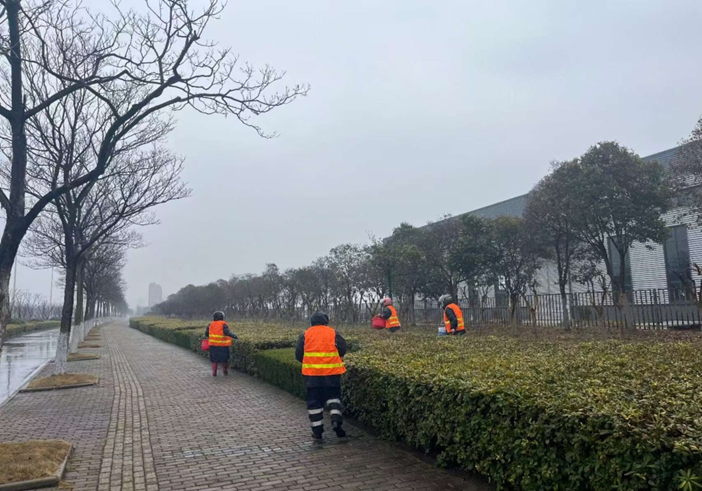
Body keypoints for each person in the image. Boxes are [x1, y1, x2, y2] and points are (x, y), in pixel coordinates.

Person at [295, 311, 347, 440]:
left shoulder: (305, 334)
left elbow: (298, 354)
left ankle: (317, 431)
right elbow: (343, 349)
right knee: (334, 398)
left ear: (312, 322)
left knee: (314, 403)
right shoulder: (333, 333)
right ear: (326, 321)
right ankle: (336, 421)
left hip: (312, 376)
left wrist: (309, 362)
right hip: (332, 374)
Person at [205, 311, 238, 376]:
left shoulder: (210, 324)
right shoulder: (223, 324)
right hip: (223, 345)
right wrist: (234, 336)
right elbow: (227, 332)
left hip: (213, 345)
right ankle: (225, 371)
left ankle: (214, 372)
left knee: (214, 359)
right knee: (224, 359)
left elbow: (206, 333)